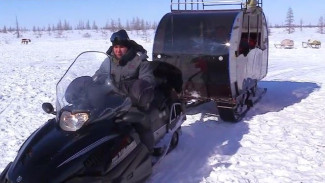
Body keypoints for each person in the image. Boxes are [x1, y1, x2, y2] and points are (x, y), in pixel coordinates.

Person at [93, 29, 156, 152]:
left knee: (141, 121)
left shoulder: (139, 60)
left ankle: (149, 151)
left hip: (133, 100)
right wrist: (91, 84)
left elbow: (148, 80)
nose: (118, 50)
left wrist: (138, 89)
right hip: (111, 100)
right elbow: (99, 75)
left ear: (127, 46)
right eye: (116, 47)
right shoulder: (108, 60)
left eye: (121, 47)